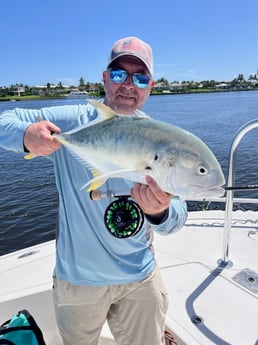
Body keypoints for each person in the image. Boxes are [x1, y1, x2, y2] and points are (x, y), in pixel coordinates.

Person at [0, 36, 187, 345]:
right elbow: (3, 119)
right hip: (78, 282)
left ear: (150, 85)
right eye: (118, 74)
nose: (128, 84)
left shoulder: (160, 140)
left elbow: (178, 217)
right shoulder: (73, 121)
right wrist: (26, 135)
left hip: (139, 277)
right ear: (104, 79)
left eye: (139, 77)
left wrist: (160, 211)